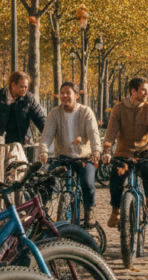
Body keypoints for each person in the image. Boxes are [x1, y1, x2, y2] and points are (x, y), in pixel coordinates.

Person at [101, 77, 148, 227]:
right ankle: (115, 210)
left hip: (144, 150)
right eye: (143, 90)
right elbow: (111, 132)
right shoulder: (118, 109)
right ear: (133, 91)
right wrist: (107, 151)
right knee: (115, 178)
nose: (147, 93)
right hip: (123, 151)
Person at [38, 82, 103, 225]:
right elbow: (47, 135)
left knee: (88, 184)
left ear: (77, 95)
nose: (64, 96)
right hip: (63, 158)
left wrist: (96, 150)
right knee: (46, 181)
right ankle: (42, 213)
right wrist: (43, 150)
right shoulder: (55, 113)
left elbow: (93, 133)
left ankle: (89, 209)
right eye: (62, 93)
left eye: (68, 93)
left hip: (84, 158)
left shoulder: (86, 112)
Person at [0, 71, 47, 150]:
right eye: (22, 87)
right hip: (1, 144)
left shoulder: (29, 98)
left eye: (26, 87)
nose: (24, 89)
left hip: (23, 144)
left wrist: (49, 136)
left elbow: (40, 118)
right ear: (13, 85)